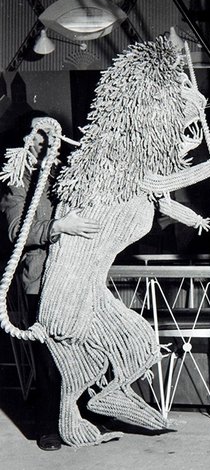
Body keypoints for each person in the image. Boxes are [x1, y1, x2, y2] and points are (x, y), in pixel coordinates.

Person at [0, 112, 101, 450]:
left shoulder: (66, 179)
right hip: (39, 284)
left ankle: (83, 417)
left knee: (81, 352)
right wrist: (58, 227)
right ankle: (47, 427)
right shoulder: (17, 182)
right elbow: (18, 231)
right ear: (26, 144)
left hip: (72, 278)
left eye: (49, 140)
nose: (43, 146)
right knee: (49, 360)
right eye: (36, 140)